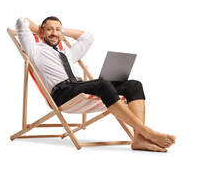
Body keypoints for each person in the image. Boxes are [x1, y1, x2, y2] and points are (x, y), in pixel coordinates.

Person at [16, 16, 176, 152]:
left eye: (58, 30)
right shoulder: (35, 50)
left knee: (133, 85)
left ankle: (138, 139)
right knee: (102, 84)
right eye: (50, 29)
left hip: (80, 88)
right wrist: (39, 28)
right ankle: (146, 131)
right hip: (63, 94)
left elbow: (88, 37)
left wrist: (61, 32)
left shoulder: (68, 53)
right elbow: (21, 22)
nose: (55, 33)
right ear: (41, 32)